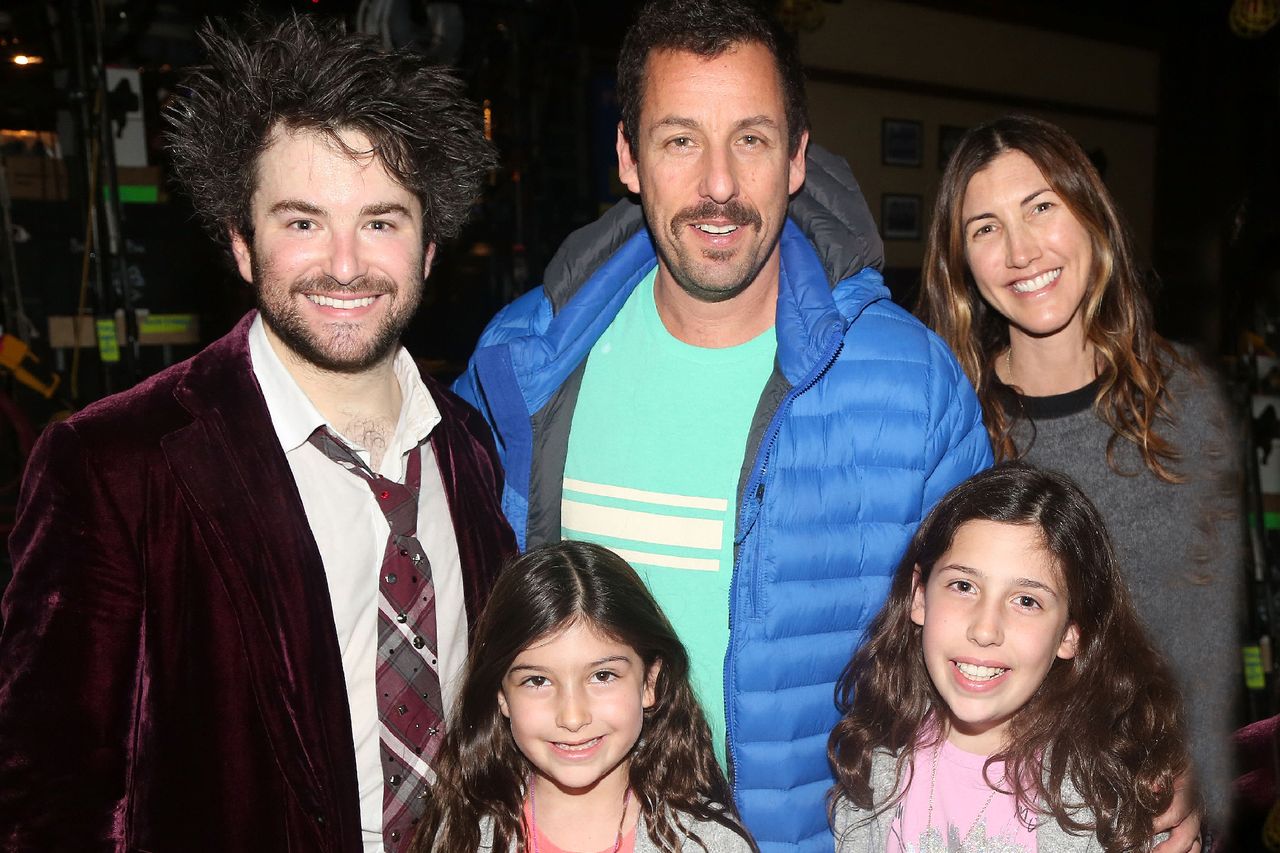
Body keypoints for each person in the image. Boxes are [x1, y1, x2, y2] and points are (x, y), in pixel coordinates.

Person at [453, 1, 992, 848]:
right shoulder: (523, 364)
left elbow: (999, 650)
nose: (718, 185)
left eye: (751, 138)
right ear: (628, 157)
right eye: (679, 140)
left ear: (798, 158)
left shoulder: (912, 383)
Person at [0, 14, 515, 853]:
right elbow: (45, 797)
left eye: (381, 221)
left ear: (428, 250)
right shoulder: (115, 468)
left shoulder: (470, 450)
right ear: (242, 244)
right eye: (302, 222)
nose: (345, 264)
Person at [916, 113, 1242, 837]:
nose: (1021, 250)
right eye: (985, 228)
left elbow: (1207, 639)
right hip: (991, 802)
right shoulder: (950, 420)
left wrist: (1190, 768)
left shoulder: (1183, 406)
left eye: (1041, 207)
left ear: (1090, 214)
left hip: (1147, 800)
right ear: (962, 263)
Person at [828, 462, 1190, 852]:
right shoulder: (874, 769)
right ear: (919, 596)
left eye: (1026, 601)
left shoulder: (1111, 794)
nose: (985, 630)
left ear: (1070, 634)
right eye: (964, 585)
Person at [412, 540, 757, 852]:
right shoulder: (462, 834)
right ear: (501, 694)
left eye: (602, 676)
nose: (573, 717)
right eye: (537, 681)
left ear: (649, 682)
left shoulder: (711, 845)